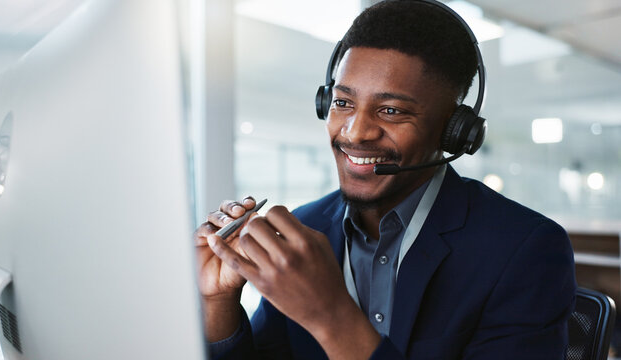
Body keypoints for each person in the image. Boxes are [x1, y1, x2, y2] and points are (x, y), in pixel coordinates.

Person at [194, 1, 576, 359]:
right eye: (343, 103)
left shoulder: (525, 249)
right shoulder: (308, 226)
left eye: (391, 110)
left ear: (453, 132)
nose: (355, 132)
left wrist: (331, 315)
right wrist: (217, 303)